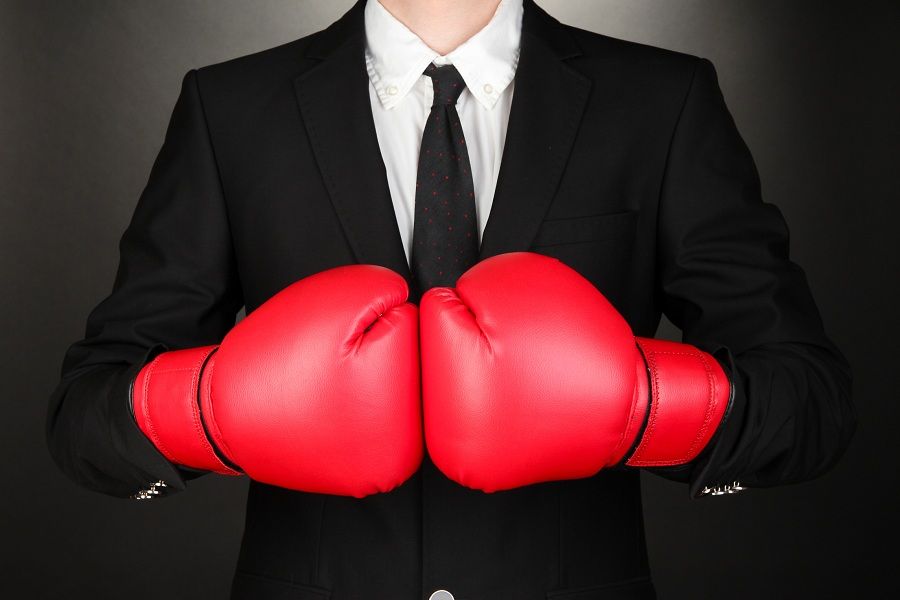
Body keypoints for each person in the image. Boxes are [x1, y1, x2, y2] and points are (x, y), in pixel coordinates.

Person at [46, 0, 856, 598]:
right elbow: (86, 414)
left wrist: (642, 405)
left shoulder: (662, 101)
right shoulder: (230, 109)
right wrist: (216, 412)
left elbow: (810, 400)